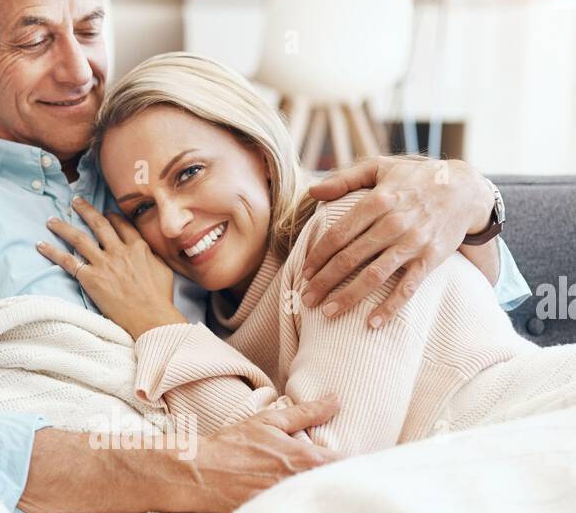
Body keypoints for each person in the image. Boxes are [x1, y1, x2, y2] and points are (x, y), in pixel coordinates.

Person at [0, 0, 527, 513]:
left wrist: (466, 197)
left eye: (91, 29)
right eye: (34, 39)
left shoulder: (188, 169)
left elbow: (448, 309)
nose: (78, 70)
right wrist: (180, 472)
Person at [36, 52, 566, 455]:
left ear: (260, 154)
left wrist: (154, 321)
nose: (172, 223)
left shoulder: (343, 229)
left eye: (190, 172)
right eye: (142, 208)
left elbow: (314, 457)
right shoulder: (217, 317)